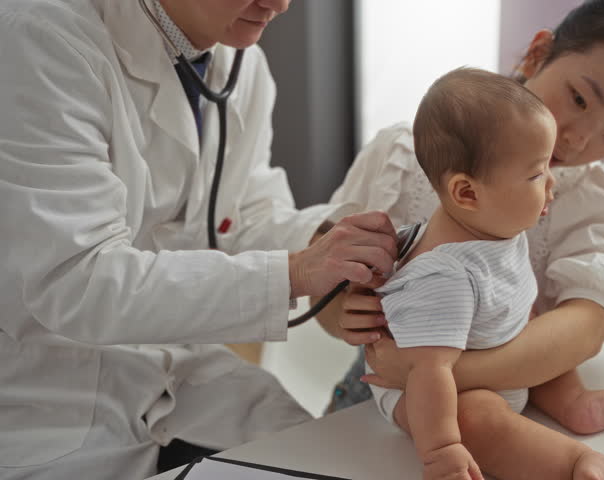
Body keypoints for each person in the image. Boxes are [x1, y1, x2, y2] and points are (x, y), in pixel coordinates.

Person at [0, 0, 398, 478]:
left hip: (181, 373)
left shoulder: (237, 60)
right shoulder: (36, 39)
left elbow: (242, 209)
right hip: (48, 396)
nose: (279, 3)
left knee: (331, 463)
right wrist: (296, 272)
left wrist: (331, 249)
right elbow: (78, 281)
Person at [320, 0, 604, 451]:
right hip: (382, 403)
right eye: (578, 98)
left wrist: (436, 370)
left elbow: (584, 326)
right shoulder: (407, 152)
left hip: (523, 409)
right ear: (537, 54)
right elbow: (325, 261)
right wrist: (341, 312)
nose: (577, 138)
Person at [367, 67, 604, 480]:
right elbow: (429, 374)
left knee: (540, 337)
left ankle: (574, 402)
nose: (552, 182)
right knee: (474, 419)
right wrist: (442, 451)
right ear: (467, 193)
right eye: (537, 173)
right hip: (432, 393)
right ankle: (572, 462)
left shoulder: (493, 224)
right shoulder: (443, 277)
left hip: (496, 356)